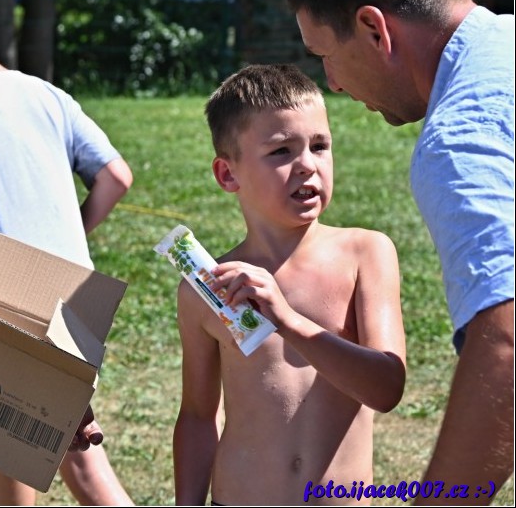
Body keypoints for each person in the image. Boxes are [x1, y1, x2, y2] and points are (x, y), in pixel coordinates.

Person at [285, 0, 515, 504]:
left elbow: (509, 339)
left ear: (373, 29)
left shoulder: (462, 137)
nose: (332, 83)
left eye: (325, 56)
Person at [0, 0, 135, 506]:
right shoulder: (47, 94)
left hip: (10, 302)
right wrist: (71, 236)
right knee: (72, 453)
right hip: (81, 300)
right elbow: (116, 177)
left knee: (19, 453)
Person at [174, 63, 407, 505]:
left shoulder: (365, 254)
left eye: (319, 146)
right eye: (281, 151)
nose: (306, 165)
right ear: (228, 175)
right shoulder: (208, 287)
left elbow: (387, 387)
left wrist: (287, 320)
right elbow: (198, 416)